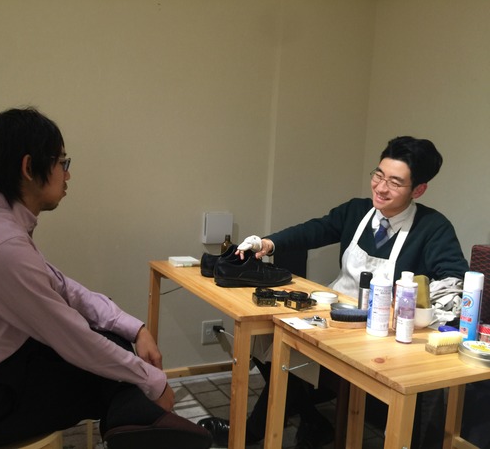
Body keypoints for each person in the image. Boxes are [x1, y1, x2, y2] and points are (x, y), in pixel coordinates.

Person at [0, 107, 212, 449]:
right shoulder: (0, 246)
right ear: (28, 168)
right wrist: (154, 382)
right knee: (105, 366)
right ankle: (140, 421)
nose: (67, 175)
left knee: (111, 342)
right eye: (62, 163)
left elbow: (64, 288)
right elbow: (71, 335)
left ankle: (134, 421)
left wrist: (135, 328)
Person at [198, 136, 468, 449]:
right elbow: (313, 230)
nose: (381, 188)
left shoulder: (432, 227)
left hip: (380, 331)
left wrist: (407, 306)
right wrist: (267, 243)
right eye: (378, 175)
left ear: (418, 190)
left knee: (288, 354)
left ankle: (253, 432)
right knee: (267, 337)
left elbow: (455, 280)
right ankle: (311, 421)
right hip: (335, 314)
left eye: (395, 183)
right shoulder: (357, 211)